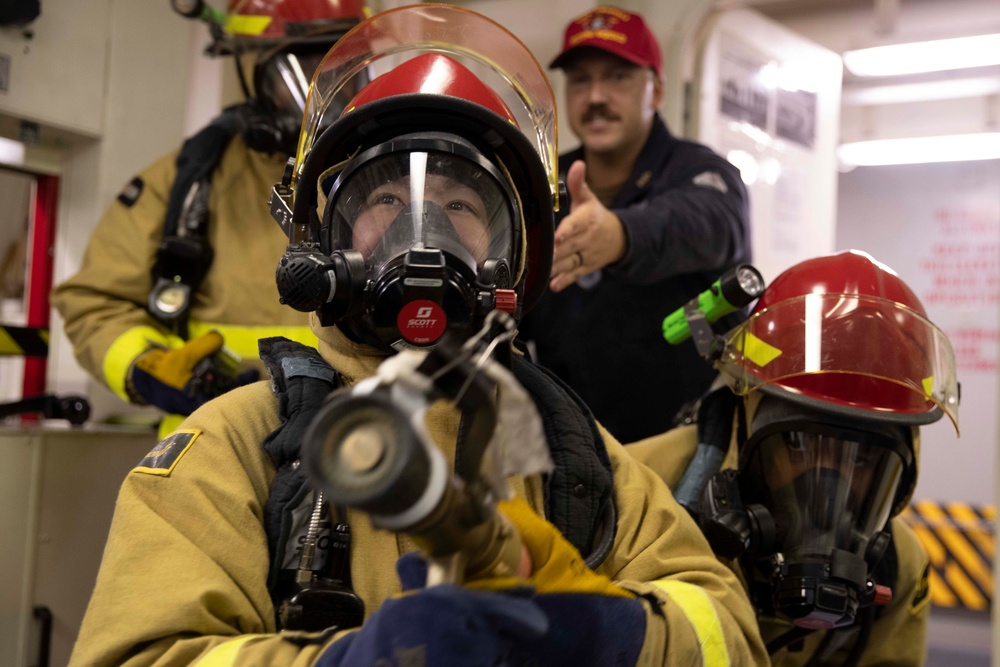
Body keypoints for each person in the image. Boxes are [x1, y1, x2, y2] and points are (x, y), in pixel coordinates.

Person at [67, 6, 768, 666]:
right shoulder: (233, 449)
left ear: (513, 250)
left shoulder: (575, 454)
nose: (421, 229)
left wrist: (616, 632)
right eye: (385, 198)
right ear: (325, 237)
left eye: (460, 200)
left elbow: (728, 634)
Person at [50, 0, 365, 437]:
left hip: (367, 445)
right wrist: (151, 367)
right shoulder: (186, 181)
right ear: (252, 73)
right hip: (210, 446)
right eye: (299, 70)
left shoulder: (403, 180)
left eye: (342, 67)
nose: (323, 89)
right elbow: (94, 304)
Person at [630, 250, 960, 665]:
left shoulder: (899, 566)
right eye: (799, 446)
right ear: (747, 420)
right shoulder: (641, 490)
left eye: (860, 462)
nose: (825, 489)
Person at [518, 5, 752, 443]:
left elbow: (706, 223)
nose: (596, 97)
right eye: (581, 80)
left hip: (690, 451)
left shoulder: (703, 171)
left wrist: (621, 236)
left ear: (657, 90)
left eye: (618, 77)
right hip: (570, 449)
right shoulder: (540, 184)